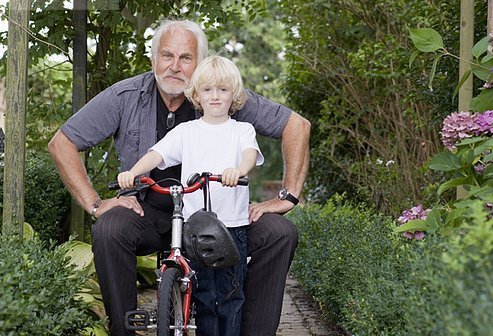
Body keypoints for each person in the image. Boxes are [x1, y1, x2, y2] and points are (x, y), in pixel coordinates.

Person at [48, 19, 311, 336]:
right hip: (149, 213)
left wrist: (287, 197)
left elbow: (297, 126)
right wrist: (95, 204)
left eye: (186, 58)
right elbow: (62, 143)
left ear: (199, 64)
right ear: (153, 59)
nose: (174, 66)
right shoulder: (124, 97)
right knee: (109, 229)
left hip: (218, 216)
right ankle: (124, 331)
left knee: (280, 233)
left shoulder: (219, 93)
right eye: (166, 55)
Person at [117, 55, 263, 335]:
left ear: (234, 94)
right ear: (196, 95)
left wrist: (238, 170)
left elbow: (249, 156)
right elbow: (155, 154)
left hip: (231, 227)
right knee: (204, 296)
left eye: (223, 90)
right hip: (196, 228)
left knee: (231, 296)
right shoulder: (187, 132)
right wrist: (133, 173)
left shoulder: (242, 130)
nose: (215, 96)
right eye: (207, 90)